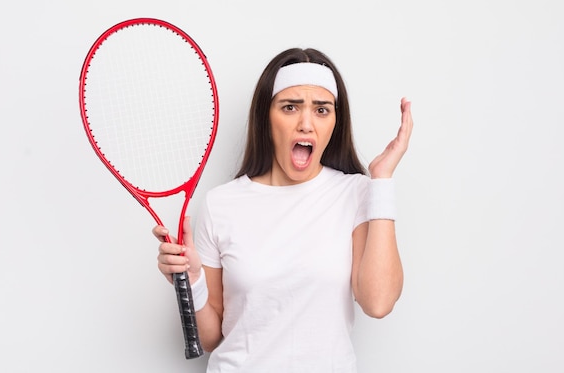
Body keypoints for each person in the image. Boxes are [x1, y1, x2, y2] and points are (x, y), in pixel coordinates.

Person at [153, 47, 413, 372]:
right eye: (290, 107)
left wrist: (383, 180)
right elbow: (211, 339)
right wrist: (192, 279)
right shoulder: (221, 204)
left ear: (335, 121)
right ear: (266, 116)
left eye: (322, 110)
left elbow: (378, 302)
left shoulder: (357, 193)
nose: (306, 124)